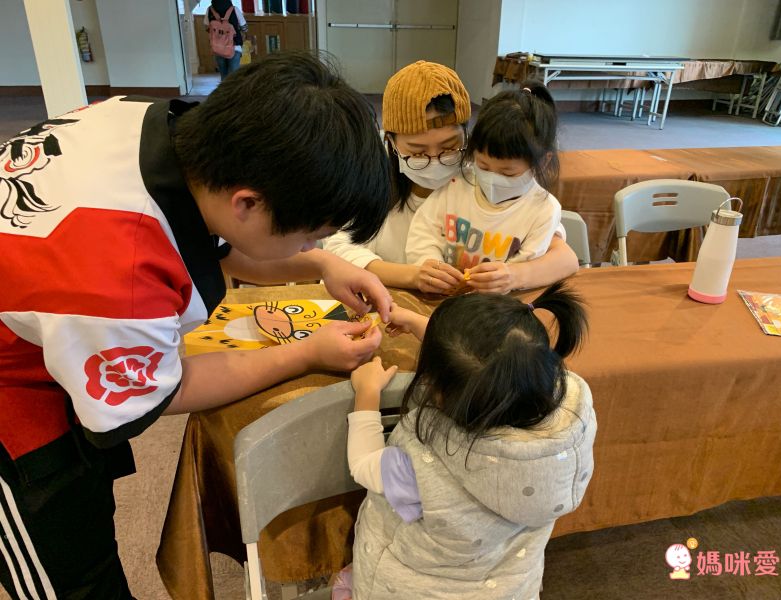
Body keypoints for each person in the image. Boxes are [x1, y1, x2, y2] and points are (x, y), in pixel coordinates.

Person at [0, 51, 392, 599]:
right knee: (64, 563)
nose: (310, 247)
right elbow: (167, 387)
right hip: (11, 397)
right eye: (311, 235)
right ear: (248, 202)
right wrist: (306, 354)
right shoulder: (118, 276)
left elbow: (207, 240)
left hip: (47, 311)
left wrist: (323, 263)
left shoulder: (147, 123)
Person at [337, 282, 596, 599]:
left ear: (440, 392)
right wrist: (426, 330)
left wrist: (367, 392)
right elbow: (496, 367)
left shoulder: (420, 467)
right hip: (507, 587)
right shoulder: (569, 418)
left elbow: (364, 465)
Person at [323, 61, 578, 295]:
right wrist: (411, 275)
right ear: (391, 142)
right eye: (417, 152)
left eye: (448, 147)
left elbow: (563, 257)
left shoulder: (483, 180)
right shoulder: (372, 186)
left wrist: (514, 275)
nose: (434, 160)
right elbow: (336, 249)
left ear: (468, 137)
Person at [406, 80, 566, 294]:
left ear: (544, 161)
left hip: (496, 306)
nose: (492, 178)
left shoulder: (543, 210)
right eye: (483, 165)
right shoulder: (457, 185)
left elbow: (526, 265)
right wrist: (430, 264)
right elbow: (424, 231)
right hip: (442, 294)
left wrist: (506, 277)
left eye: (508, 172)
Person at [204, 0, 248, 80]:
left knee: (223, 76)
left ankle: (224, 92)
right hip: (234, 47)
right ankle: (234, 92)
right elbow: (244, 27)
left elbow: (206, 27)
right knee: (234, 76)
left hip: (217, 48)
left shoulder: (210, 10)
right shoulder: (234, 9)